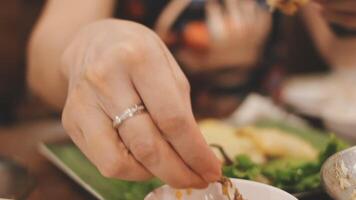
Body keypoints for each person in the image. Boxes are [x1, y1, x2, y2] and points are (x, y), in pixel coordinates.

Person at [27, 0, 356, 188]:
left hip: (267, 131)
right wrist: (87, 48)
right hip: (125, 149)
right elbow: (42, 70)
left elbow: (342, 52)